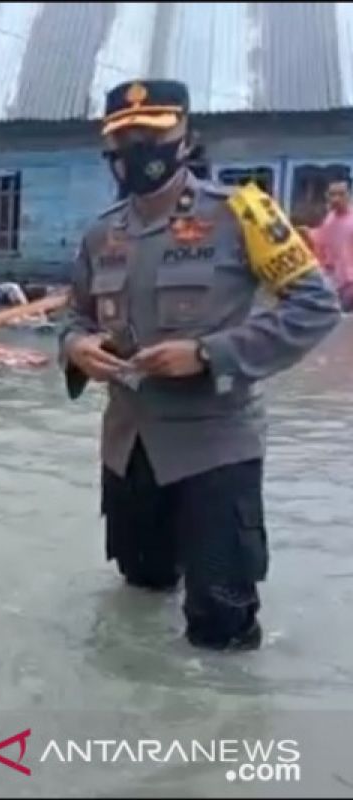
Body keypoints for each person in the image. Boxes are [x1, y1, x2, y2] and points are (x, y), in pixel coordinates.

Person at [62, 79, 341, 652]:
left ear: (185, 137)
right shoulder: (101, 234)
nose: (139, 146)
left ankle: (225, 741)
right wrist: (73, 347)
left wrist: (209, 353)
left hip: (216, 451)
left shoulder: (245, 215)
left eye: (154, 132)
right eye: (125, 136)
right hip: (129, 450)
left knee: (222, 628)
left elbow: (317, 306)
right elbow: (74, 316)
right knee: (139, 598)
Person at [308, 178, 353, 311]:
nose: (336, 199)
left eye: (341, 194)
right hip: (332, 283)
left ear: (349, 195)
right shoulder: (329, 218)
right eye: (332, 194)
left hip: (349, 282)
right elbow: (320, 242)